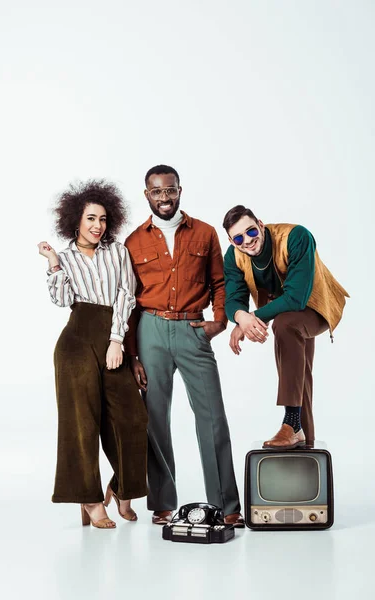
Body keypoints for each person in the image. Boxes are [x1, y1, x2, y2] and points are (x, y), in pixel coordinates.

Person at [124, 165, 244, 527]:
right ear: (147, 194)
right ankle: (162, 502)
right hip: (150, 331)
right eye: (157, 192)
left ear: (180, 191)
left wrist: (219, 321)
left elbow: (220, 282)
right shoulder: (133, 241)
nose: (165, 197)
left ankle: (226, 506)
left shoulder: (205, 233)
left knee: (212, 416)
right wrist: (132, 354)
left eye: (170, 190)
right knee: (155, 417)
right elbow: (127, 300)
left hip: (194, 329)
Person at [37, 180, 148, 529]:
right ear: (76, 221)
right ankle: (88, 498)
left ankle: (121, 489)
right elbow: (61, 300)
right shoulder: (67, 258)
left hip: (111, 335)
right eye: (90, 218)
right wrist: (54, 262)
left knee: (133, 418)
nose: (97, 225)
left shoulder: (117, 252)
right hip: (76, 340)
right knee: (80, 424)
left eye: (102, 219)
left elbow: (126, 296)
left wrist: (117, 341)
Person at [222, 205, 349, 449]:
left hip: (316, 305)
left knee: (285, 324)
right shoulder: (233, 256)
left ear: (260, 223)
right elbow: (233, 298)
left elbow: (296, 298)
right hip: (284, 314)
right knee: (301, 374)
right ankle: (305, 441)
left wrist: (253, 317)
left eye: (250, 231)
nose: (247, 241)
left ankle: (291, 423)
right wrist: (240, 317)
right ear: (231, 240)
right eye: (238, 238)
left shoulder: (296, 236)